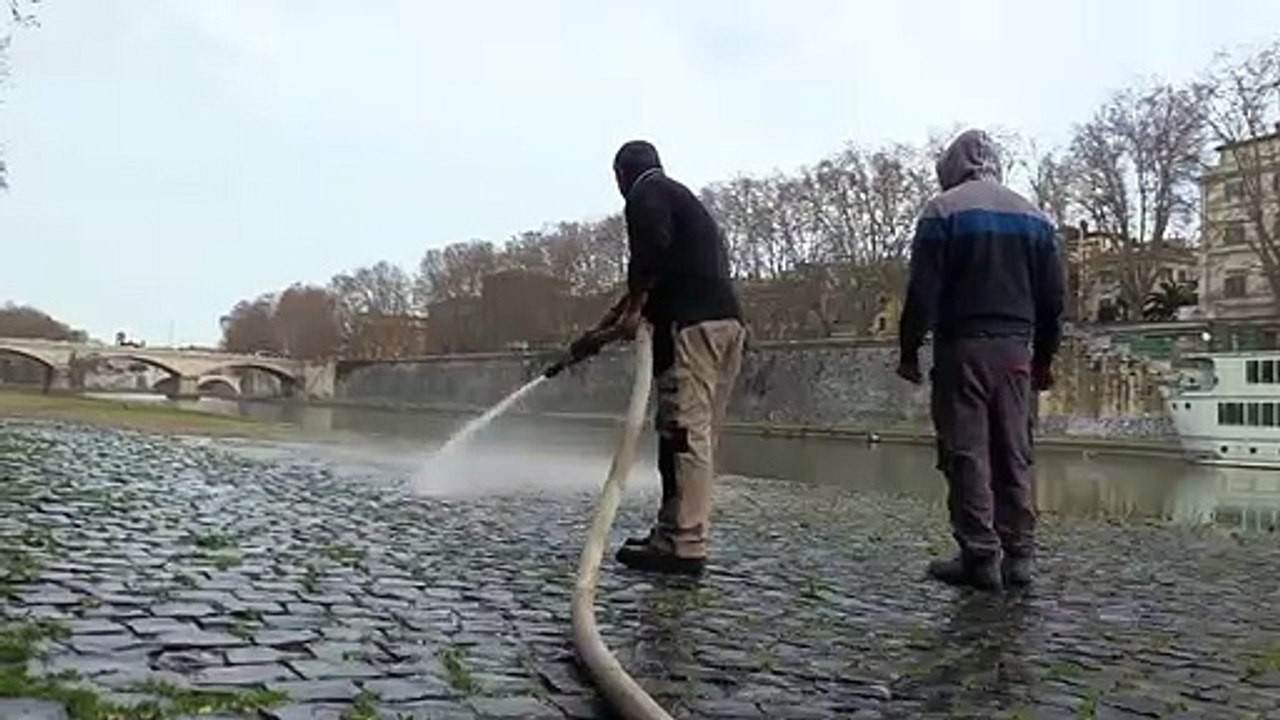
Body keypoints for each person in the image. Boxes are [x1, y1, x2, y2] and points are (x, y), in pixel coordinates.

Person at [897, 129, 1065, 592]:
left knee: (967, 451)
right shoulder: (1035, 218)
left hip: (962, 348)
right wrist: (1045, 358)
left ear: (951, 167)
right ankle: (1021, 555)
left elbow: (922, 292)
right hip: (1016, 350)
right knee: (1014, 450)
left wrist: (909, 349)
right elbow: (1053, 299)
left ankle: (980, 555)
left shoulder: (942, 211)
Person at [568, 140, 745, 576]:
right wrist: (604, 327)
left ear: (621, 175)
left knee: (684, 434)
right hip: (727, 324)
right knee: (691, 435)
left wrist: (631, 313)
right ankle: (673, 530)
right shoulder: (681, 199)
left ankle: (683, 544)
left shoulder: (646, 194)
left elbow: (650, 255)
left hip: (692, 327)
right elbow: (654, 274)